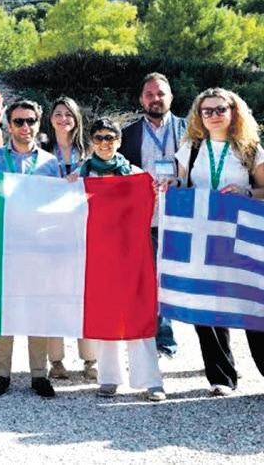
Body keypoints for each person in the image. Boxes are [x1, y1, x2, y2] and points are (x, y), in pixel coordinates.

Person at [173, 88, 264, 403]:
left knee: (257, 306)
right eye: (207, 111)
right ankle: (221, 378)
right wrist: (168, 184)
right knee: (207, 307)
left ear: (234, 112)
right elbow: (180, 185)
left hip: (245, 236)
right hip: (204, 236)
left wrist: (245, 194)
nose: (214, 115)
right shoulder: (190, 148)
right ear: (199, 116)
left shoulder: (249, 148)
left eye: (221, 109)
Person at [67, 118, 165, 401]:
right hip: (98, 253)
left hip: (132, 251)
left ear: (119, 141)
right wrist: (68, 186)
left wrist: (155, 194)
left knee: (138, 312)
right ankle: (109, 377)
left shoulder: (135, 173)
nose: (104, 143)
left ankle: (150, 380)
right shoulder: (81, 174)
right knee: (105, 313)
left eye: (110, 138)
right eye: (98, 138)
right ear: (91, 142)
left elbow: (150, 210)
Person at [0, 99, 60, 399]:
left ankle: (39, 375)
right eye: (19, 121)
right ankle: (2, 373)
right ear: (8, 125)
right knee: (2, 308)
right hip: (2, 245)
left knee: (37, 308)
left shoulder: (50, 163)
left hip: (36, 247)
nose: (25, 127)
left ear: (38, 123)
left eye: (30, 121)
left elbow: (58, 205)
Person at [118, 73, 187, 359]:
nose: (155, 99)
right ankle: (162, 342)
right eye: (149, 94)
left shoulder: (190, 130)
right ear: (141, 99)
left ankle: (215, 353)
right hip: (147, 219)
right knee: (153, 281)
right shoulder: (128, 134)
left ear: (171, 97)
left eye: (160, 93)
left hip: (184, 217)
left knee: (188, 280)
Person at [40, 96, 97, 381]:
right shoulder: (41, 153)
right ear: (50, 119)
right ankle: (56, 360)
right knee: (53, 295)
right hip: (49, 231)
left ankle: (90, 359)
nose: (63, 119)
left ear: (77, 119)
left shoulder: (89, 151)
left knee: (84, 295)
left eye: (69, 114)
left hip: (82, 229)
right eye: (58, 114)